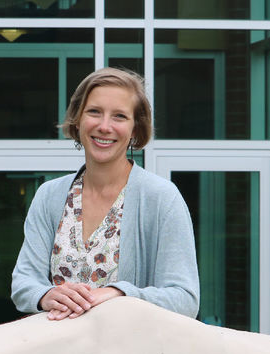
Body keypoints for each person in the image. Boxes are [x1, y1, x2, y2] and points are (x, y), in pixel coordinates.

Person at [11, 67, 200, 321]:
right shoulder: (49, 196)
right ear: (78, 120)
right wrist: (45, 295)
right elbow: (23, 283)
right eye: (94, 112)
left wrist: (119, 293)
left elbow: (185, 299)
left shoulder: (162, 198)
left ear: (135, 130)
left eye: (120, 116)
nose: (104, 126)